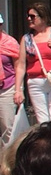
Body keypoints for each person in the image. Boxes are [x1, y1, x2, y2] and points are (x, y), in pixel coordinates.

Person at [0, 13, 21, 143]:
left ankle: (8, 160)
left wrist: (18, 90)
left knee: (8, 128)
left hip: (7, 88)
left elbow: (19, 67)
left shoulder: (10, 42)